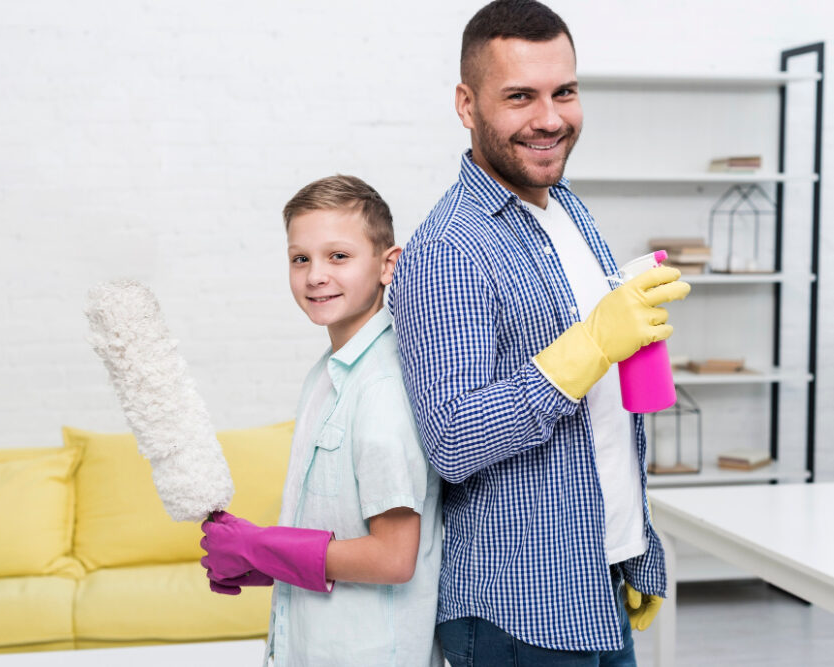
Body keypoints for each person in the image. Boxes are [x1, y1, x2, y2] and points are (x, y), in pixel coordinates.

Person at [388, 1, 691, 665]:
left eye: (565, 92)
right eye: (519, 96)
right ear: (466, 105)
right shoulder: (448, 250)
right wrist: (585, 348)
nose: (549, 118)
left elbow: (600, 417)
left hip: (595, 579)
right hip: (517, 613)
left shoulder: (568, 208)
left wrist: (632, 543)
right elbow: (452, 437)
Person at [200, 175, 443, 666]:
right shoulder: (327, 376)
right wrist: (264, 559)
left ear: (387, 265)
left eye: (338, 256)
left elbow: (393, 558)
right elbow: (337, 527)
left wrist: (262, 547)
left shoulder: (381, 388)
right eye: (300, 258)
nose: (315, 275)